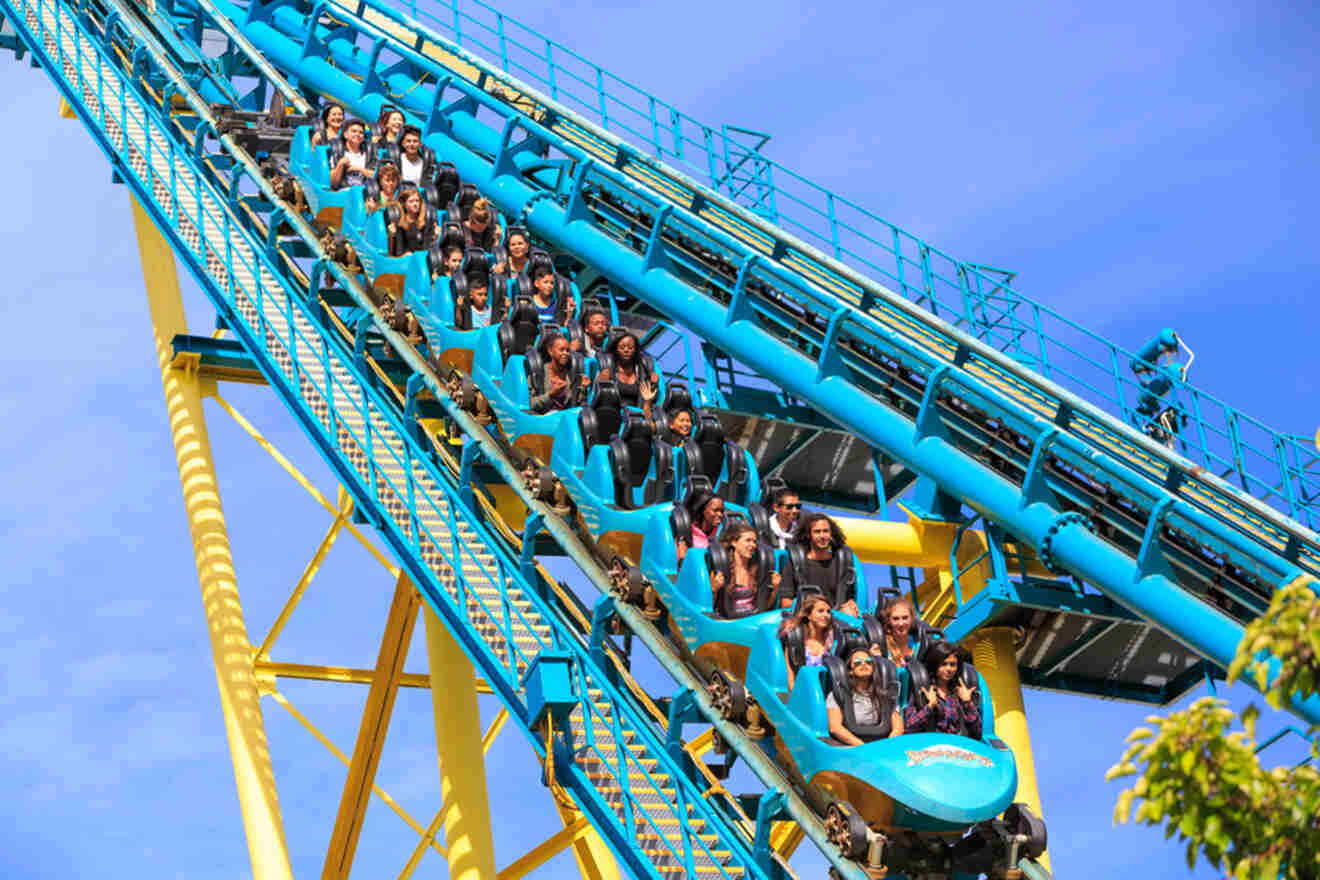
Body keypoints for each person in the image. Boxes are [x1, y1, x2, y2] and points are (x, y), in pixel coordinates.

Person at [778, 513, 859, 616]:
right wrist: (816, 610)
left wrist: (851, 603)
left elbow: (849, 598)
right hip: (806, 618)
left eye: (826, 531)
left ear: (831, 534)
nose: (822, 536)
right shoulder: (795, 564)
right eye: (817, 532)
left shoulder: (843, 564)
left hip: (836, 618)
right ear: (809, 535)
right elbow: (786, 603)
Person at [903, 640, 981, 738]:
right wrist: (930, 706)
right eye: (943, 664)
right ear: (934, 665)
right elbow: (909, 728)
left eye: (952, 665)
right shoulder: (923, 690)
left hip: (957, 746)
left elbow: (978, 732)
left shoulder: (960, 691)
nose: (948, 669)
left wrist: (968, 703)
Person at [827, 649, 903, 745]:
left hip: (882, 744)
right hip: (852, 745)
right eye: (858, 662)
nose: (863, 664)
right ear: (850, 671)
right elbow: (835, 728)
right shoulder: (839, 694)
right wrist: (862, 746)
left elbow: (898, 728)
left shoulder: (887, 695)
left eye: (868, 662)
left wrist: (887, 746)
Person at [709, 522, 780, 619]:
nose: (753, 545)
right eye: (748, 540)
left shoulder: (757, 569)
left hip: (752, 621)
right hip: (729, 623)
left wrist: (775, 588)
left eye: (754, 541)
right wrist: (714, 589)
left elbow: (765, 607)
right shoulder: (721, 568)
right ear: (734, 542)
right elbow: (710, 608)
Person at [780, 591, 836, 692]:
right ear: (809, 615)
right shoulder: (795, 640)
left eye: (828, 612)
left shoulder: (832, 641)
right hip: (802, 693)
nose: (826, 615)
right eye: (820, 611)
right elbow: (791, 678)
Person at [596, 332, 658, 416]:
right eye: (622, 347)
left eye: (630, 347)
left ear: (635, 350)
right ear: (616, 349)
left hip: (636, 415)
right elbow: (597, 398)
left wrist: (654, 384)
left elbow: (650, 401)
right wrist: (602, 382)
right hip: (612, 414)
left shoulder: (643, 372)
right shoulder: (607, 371)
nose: (626, 350)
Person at [529, 335, 589, 414]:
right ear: (550, 351)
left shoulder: (572, 375)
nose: (566, 353)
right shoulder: (538, 374)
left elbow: (577, 403)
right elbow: (530, 404)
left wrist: (583, 388)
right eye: (561, 350)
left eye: (567, 350)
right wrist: (551, 395)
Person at [676, 489, 724, 567]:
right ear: (703, 510)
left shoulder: (720, 534)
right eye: (715, 510)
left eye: (722, 511)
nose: (720, 514)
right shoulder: (687, 534)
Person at [872, 595, 919, 668]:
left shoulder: (918, 644)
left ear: (912, 619)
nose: (901, 623)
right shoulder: (882, 645)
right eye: (896, 619)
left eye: (905, 618)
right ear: (888, 621)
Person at [390, 187, 435, 255]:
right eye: (411, 201)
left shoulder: (426, 222)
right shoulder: (400, 224)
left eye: (417, 201)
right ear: (404, 204)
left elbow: (427, 246)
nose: (415, 204)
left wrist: (436, 237)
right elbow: (398, 251)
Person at [330, 119, 373, 189]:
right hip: (344, 192)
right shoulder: (338, 152)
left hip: (364, 191)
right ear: (345, 135)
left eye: (361, 132)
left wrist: (359, 169)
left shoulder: (368, 153)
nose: (357, 134)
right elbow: (333, 183)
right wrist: (340, 165)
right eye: (354, 131)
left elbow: (375, 175)